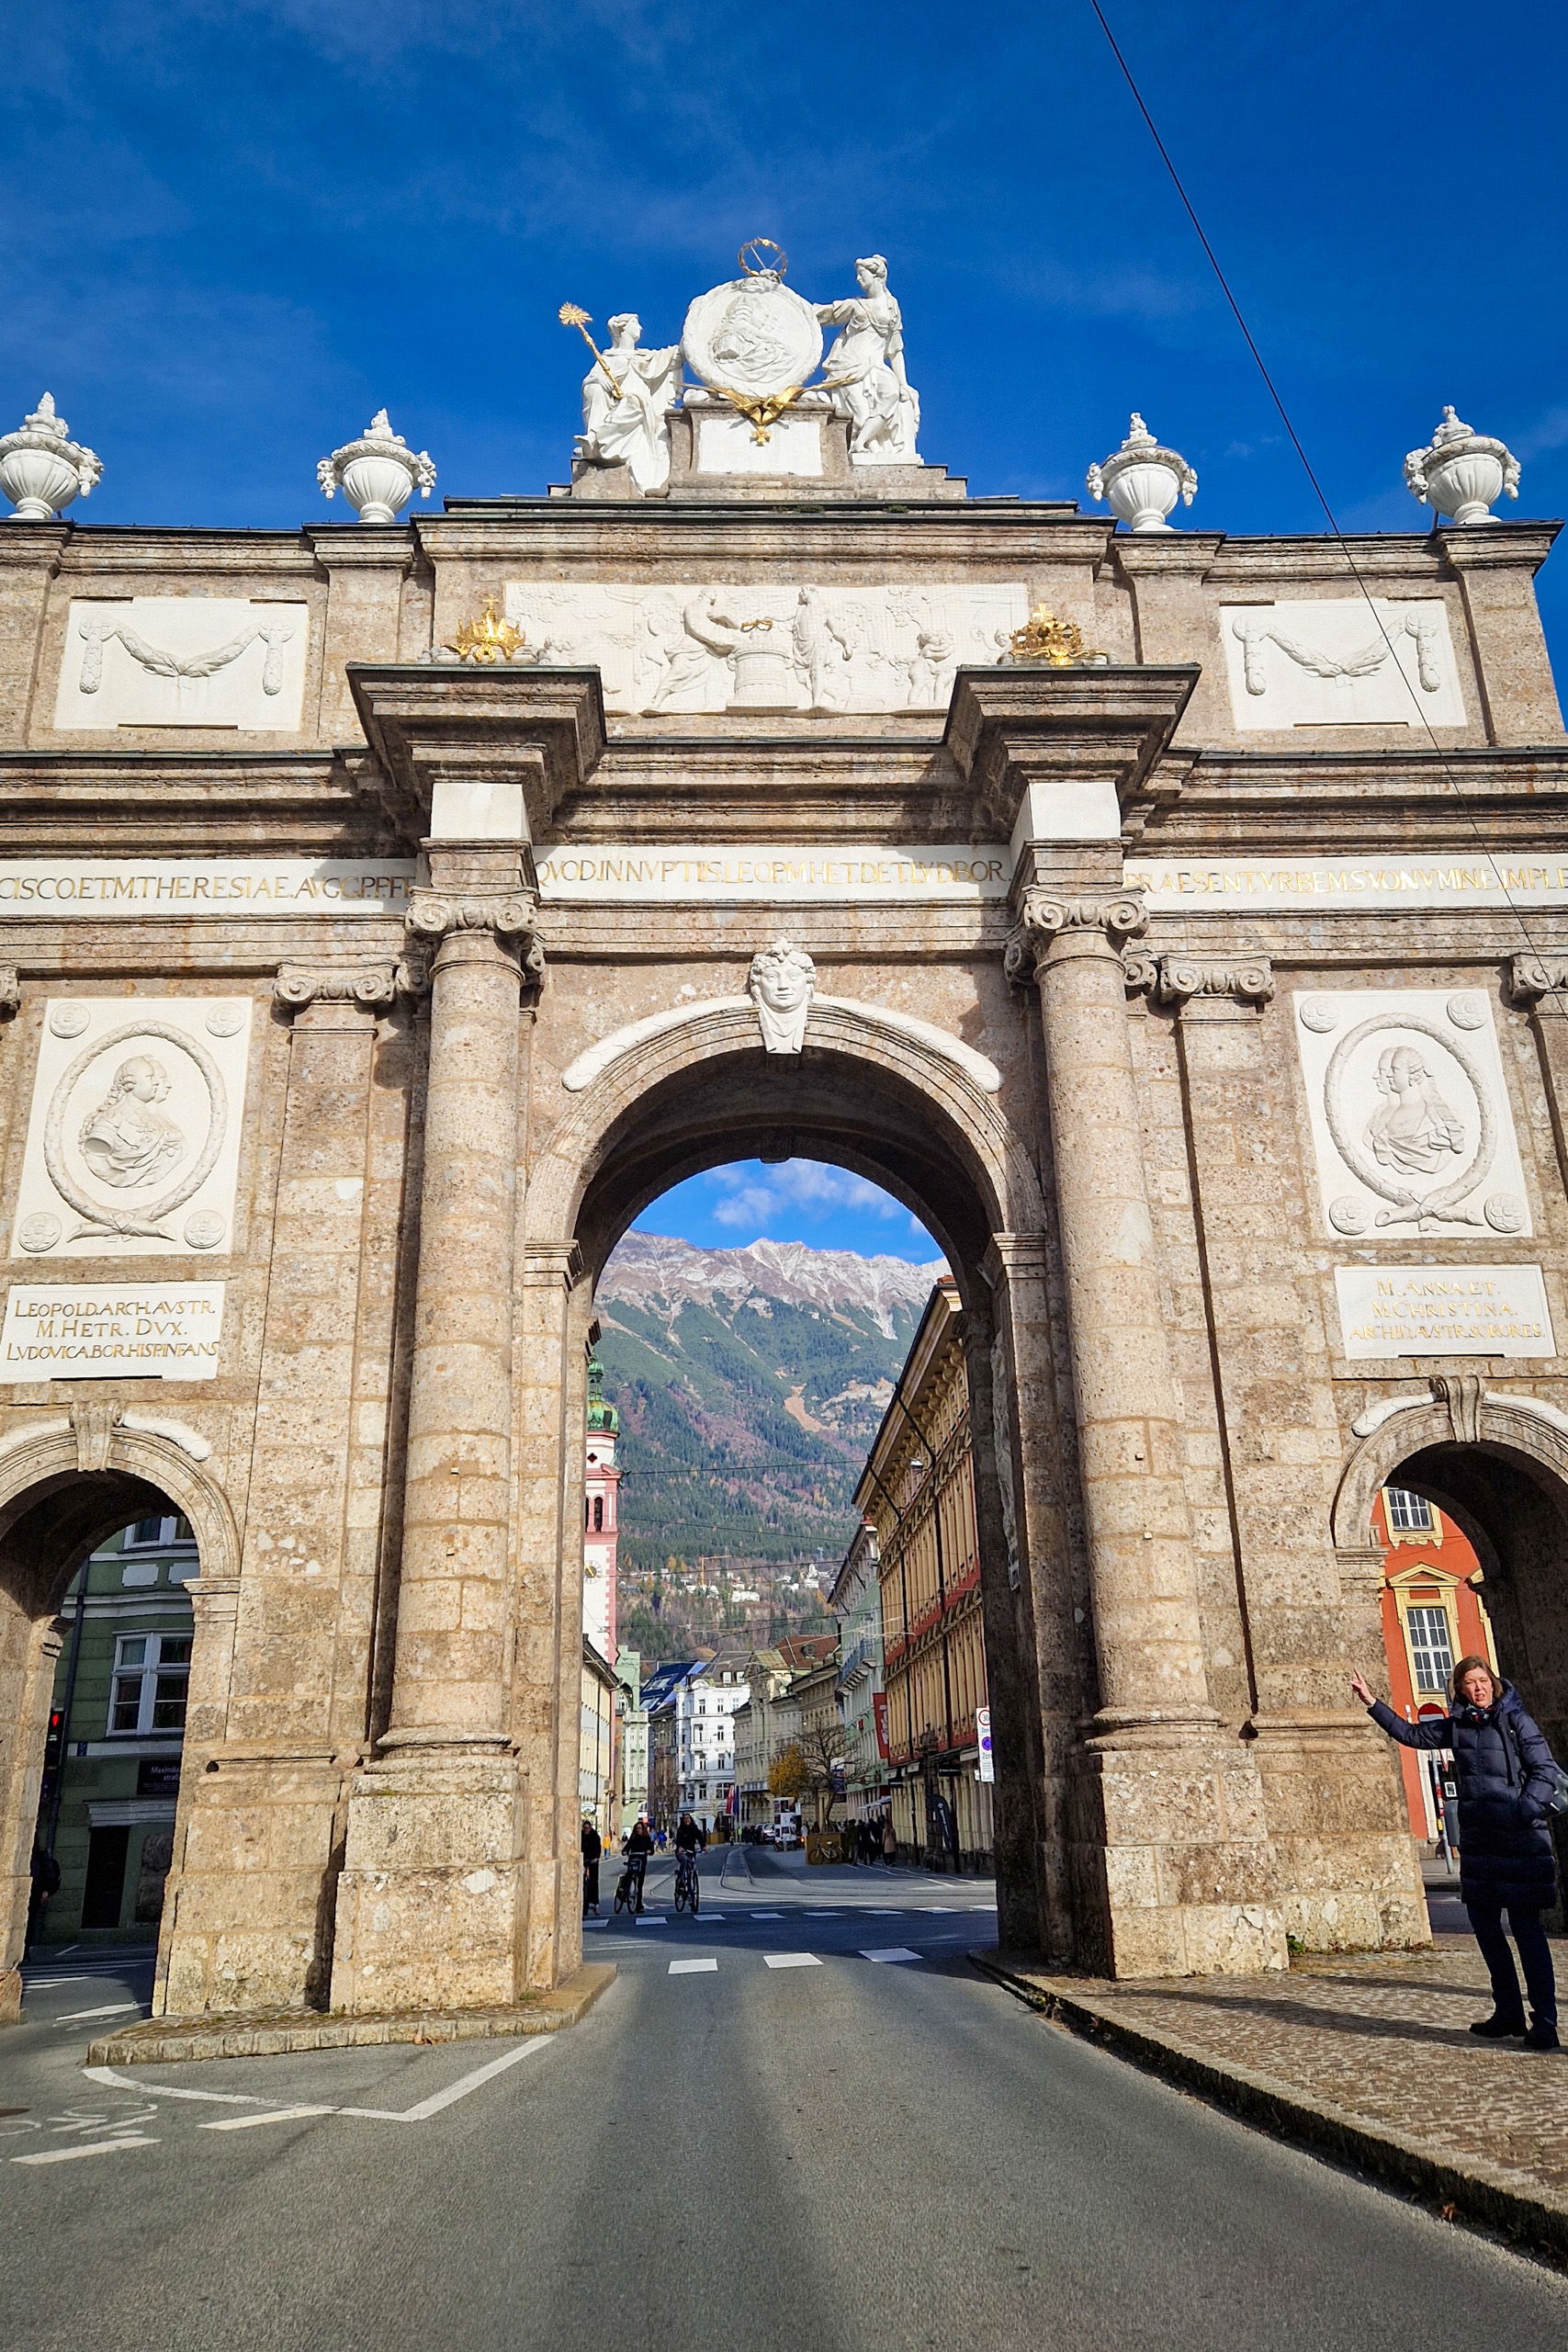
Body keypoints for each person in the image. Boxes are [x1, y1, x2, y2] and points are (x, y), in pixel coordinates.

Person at [1352, 1657, 1560, 2049]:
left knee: (1528, 1932)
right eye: (1469, 1682)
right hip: (1481, 1845)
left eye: (1482, 1681)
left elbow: (1545, 1771)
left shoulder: (1516, 1721)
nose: (1477, 1688)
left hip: (1519, 1842)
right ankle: (1509, 2013)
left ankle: (1545, 2023)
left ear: (1493, 1685)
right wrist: (1372, 1702)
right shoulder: (1459, 1726)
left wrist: (1523, 1810)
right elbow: (1412, 1735)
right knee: (1485, 1929)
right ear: (1460, 1689)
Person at [620, 1815, 654, 1914]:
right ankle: (623, 1889)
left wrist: (649, 1851)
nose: (638, 1830)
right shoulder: (633, 1838)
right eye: (637, 1828)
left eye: (640, 1828)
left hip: (642, 1861)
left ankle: (639, 1905)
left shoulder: (646, 1838)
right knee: (629, 1874)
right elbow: (627, 1846)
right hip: (633, 1859)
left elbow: (651, 1849)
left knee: (639, 1885)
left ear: (642, 1829)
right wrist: (625, 1851)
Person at [581, 1815, 603, 1918]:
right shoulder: (581, 1836)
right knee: (582, 1883)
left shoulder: (595, 1836)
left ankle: (595, 1904)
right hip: (583, 1860)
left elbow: (598, 1848)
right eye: (585, 1828)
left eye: (587, 1828)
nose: (586, 1830)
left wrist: (596, 1858)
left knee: (594, 1882)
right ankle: (583, 1904)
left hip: (593, 1861)